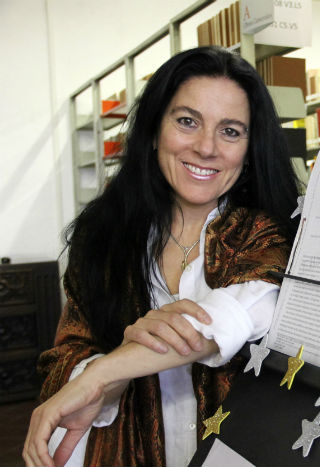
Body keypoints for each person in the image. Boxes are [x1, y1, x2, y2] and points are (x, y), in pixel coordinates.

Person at [23, 46, 300, 467]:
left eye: (230, 131)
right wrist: (103, 380)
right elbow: (67, 353)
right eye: (187, 121)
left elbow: (247, 309)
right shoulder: (103, 238)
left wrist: (107, 369)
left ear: (249, 149)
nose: (207, 147)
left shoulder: (271, 232)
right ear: (155, 131)